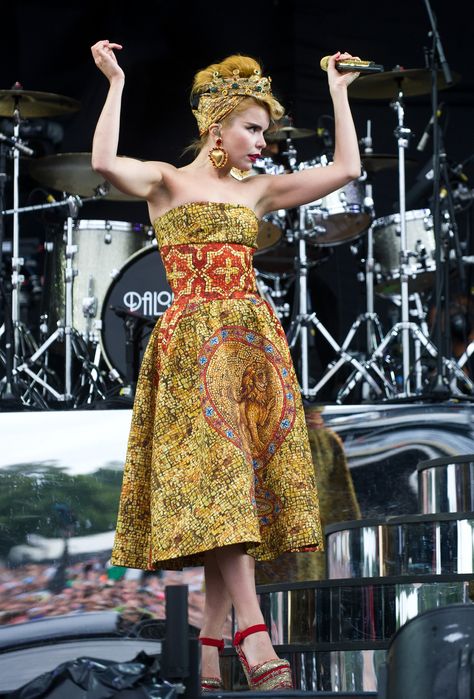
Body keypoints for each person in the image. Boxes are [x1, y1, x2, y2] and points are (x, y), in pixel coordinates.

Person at [90, 39, 360, 693]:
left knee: (235, 494)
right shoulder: (166, 180)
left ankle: (209, 651)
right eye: (253, 128)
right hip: (190, 352)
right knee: (220, 489)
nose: (263, 141)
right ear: (217, 126)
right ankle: (253, 629)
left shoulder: (261, 191)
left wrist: (339, 92)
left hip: (252, 350)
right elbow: (101, 163)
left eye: (264, 130)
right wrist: (116, 81)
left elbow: (348, 168)